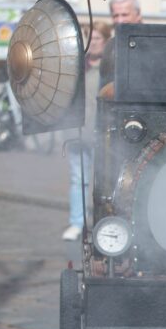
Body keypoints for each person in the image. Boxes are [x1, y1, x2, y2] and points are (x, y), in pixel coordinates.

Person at [62, 21, 111, 242]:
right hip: (78, 131)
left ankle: (104, 223)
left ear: (106, 40)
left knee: (105, 180)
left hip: (103, 133)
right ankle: (77, 222)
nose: (92, 43)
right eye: (88, 38)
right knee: (78, 178)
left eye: (97, 38)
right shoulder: (78, 66)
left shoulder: (110, 68)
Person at [99, 0, 143, 87]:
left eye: (124, 15)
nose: (120, 21)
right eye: (116, 16)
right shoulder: (110, 46)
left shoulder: (152, 43)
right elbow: (103, 85)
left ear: (138, 15)